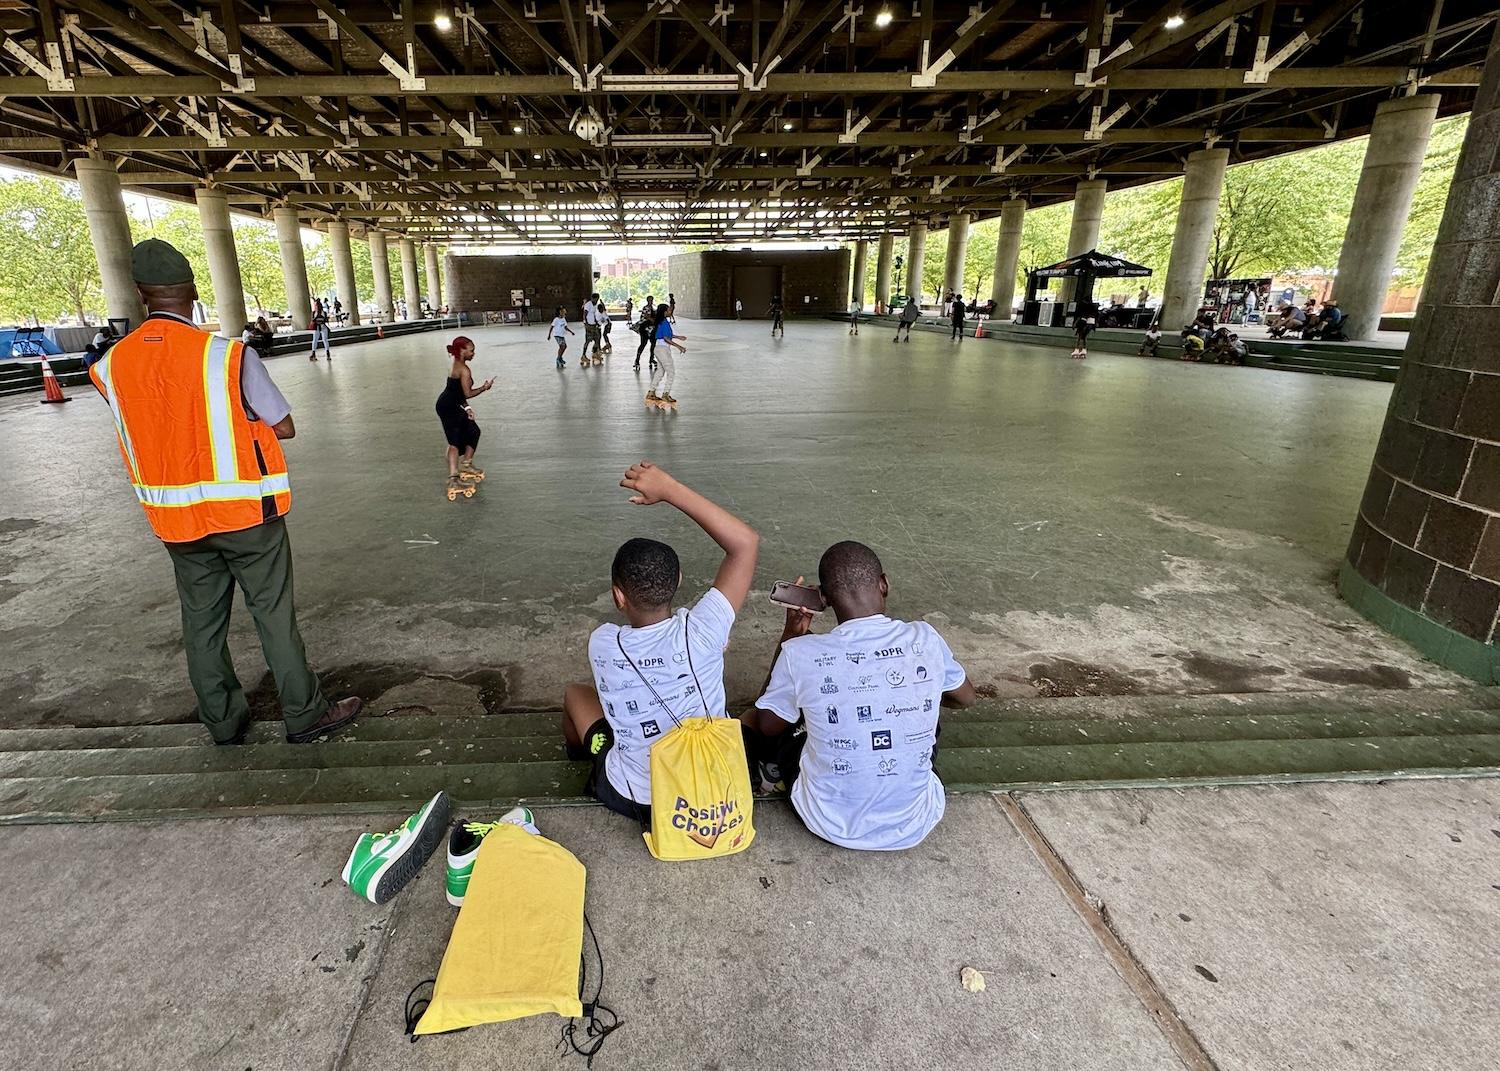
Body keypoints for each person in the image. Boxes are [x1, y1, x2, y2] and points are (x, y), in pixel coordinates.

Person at [89, 239, 361, 745]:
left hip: (174, 521)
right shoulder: (227, 357)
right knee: (273, 614)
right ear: (192, 291)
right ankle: (303, 714)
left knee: (201, 623)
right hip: (246, 516)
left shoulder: (110, 365)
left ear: (140, 293)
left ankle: (223, 722)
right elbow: (283, 426)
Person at [560, 461, 760, 821]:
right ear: (679, 579)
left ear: (618, 597)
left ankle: (586, 755)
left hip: (637, 797)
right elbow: (745, 544)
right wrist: (669, 489)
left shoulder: (602, 643)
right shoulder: (703, 631)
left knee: (575, 694)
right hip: (711, 789)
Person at [747, 541, 975, 850]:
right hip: (916, 819)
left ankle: (771, 771)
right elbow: (965, 698)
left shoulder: (800, 652)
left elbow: (766, 725)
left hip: (825, 819)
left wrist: (790, 638)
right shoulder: (925, 637)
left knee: (790, 713)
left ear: (824, 599)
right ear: (884, 584)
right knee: (925, 712)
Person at [435, 335, 494, 499]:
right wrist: (484, 388)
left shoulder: (458, 364)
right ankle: (453, 479)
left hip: (454, 403)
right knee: (454, 442)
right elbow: (467, 392)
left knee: (473, 431)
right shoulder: (464, 369)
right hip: (448, 407)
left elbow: (458, 392)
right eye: (471, 350)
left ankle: (466, 465)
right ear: (462, 351)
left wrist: (466, 407)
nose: (474, 353)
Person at [645, 303, 687, 408]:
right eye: (668, 310)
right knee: (671, 372)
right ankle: (665, 394)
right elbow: (666, 338)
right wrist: (679, 347)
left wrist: (678, 337)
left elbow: (667, 335)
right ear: (664, 312)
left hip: (658, 349)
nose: (670, 311)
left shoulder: (662, 321)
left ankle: (651, 392)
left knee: (660, 371)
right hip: (663, 350)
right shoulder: (664, 322)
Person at [634, 293, 657, 372]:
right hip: (644, 328)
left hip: (652, 329)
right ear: (647, 300)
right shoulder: (646, 308)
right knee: (643, 344)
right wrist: (652, 319)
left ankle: (651, 359)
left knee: (653, 344)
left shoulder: (653, 308)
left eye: (652, 300)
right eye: (649, 300)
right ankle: (637, 360)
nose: (651, 301)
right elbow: (645, 317)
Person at [582, 292, 605, 364]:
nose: (596, 301)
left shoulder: (595, 305)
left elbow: (594, 315)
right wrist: (586, 323)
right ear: (592, 298)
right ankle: (583, 355)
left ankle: (595, 354)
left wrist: (597, 322)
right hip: (589, 325)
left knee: (597, 339)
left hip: (594, 325)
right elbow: (584, 315)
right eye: (595, 299)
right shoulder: (588, 305)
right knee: (588, 341)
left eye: (597, 299)